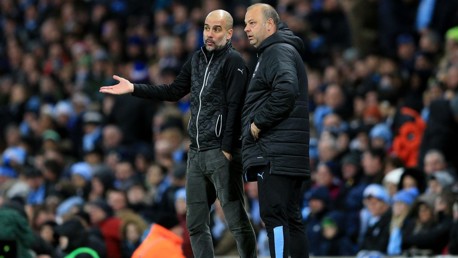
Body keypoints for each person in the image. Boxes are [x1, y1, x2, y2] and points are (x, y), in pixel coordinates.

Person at [99, 9, 257, 258]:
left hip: (221, 151)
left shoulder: (234, 61)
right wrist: (134, 88)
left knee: (235, 218)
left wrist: (227, 148)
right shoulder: (196, 59)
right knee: (195, 223)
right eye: (207, 28)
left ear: (228, 33)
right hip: (195, 152)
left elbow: (237, 106)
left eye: (217, 29)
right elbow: (174, 91)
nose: (210, 34)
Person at [242, 3, 310, 258]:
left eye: (252, 23)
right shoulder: (278, 51)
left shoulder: (276, 51)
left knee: (274, 215)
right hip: (287, 151)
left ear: (270, 25)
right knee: (290, 217)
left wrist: (257, 123)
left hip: (275, 152)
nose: (246, 28)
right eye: (245, 23)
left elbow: (286, 91)